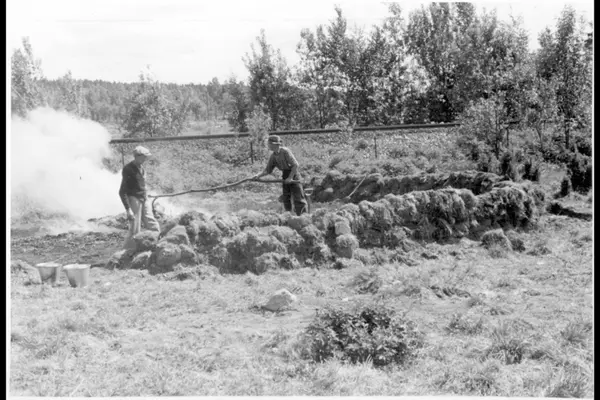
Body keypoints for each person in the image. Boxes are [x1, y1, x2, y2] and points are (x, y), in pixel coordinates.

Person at [253, 135, 308, 216]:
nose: (268, 145)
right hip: (285, 175)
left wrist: (290, 177)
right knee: (286, 198)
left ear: (274, 144)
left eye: (269, 144)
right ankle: (288, 216)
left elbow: (295, 165)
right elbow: (268, 170)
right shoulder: (273, 156)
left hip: (294, 174)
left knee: (298, 198)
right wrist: (258, 175)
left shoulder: (285, 151)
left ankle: (304, 217)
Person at [119, 145, 160, 250]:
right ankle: (127, 252)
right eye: (144, 157)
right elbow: (122, 191)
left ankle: (157, 244)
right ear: (137, 156)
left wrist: (146, 194)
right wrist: (128, 210)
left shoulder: (141, 168)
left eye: (146, 157)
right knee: (135, 229)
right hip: (134, 199)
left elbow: (142, 185)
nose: (145, 159)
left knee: (152, 223)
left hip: (144, 198)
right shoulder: (128, 169)